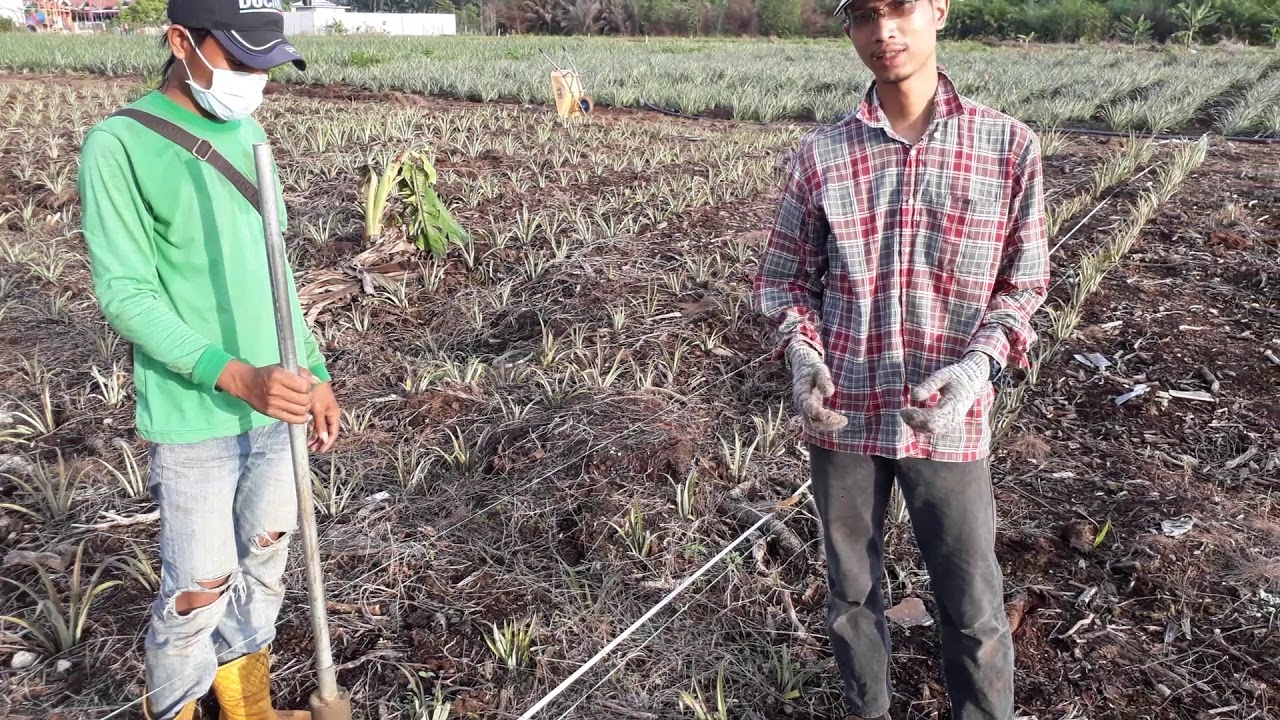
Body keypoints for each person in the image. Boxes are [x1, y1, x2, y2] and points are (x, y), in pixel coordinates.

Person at [752, 0, 1049, 718]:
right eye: (862, 13)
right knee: (851, 596)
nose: (883, 30)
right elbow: (784, 278)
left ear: (938, 10)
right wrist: (802, 353)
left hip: (947, 420)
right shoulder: (822, 154)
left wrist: (975, 368)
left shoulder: (1007, 146)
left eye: (899, 8)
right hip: (844, 415)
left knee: (973, 604)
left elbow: (1023, 286)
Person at [76, 0, 338, 717]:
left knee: (266, 560)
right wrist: (235, 376)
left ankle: (247, 708)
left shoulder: (249, 133)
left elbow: (275, 271)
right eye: (241, 59)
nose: (255, 78)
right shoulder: (119, 144)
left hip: (278, 401)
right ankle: (179, 710)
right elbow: (126, 296)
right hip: (197, 413)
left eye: (267, 65)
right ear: (180, 41)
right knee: (200, 585)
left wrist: (311, 373)